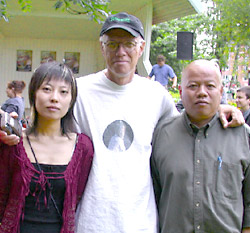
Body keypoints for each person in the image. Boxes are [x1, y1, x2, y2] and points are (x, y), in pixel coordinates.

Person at [0, 12, 245, 233]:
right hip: (89, 222)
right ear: (102, 47)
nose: (121, 52)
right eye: (113, 44)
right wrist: (9, 131)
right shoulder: (78, 91)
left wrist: (219, 108)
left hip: (141, 222)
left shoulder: (156, 95)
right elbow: (43, 124)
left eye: (129, 44)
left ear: (141, 48)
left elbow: (186, 127)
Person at [151, 60, 250, 233]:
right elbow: (153, 194)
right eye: (193, 86)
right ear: (181, 92)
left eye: (210, 86)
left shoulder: (243, 136)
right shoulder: (161, 135)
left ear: (221, 92)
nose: (201, 93)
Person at [0, 61, 94, 232]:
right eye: (47, 89)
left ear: (71, 99)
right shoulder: (13, 143)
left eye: (64, 92)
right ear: (33, 94)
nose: (54, 98)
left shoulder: (83, 148)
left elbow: (77, 199)